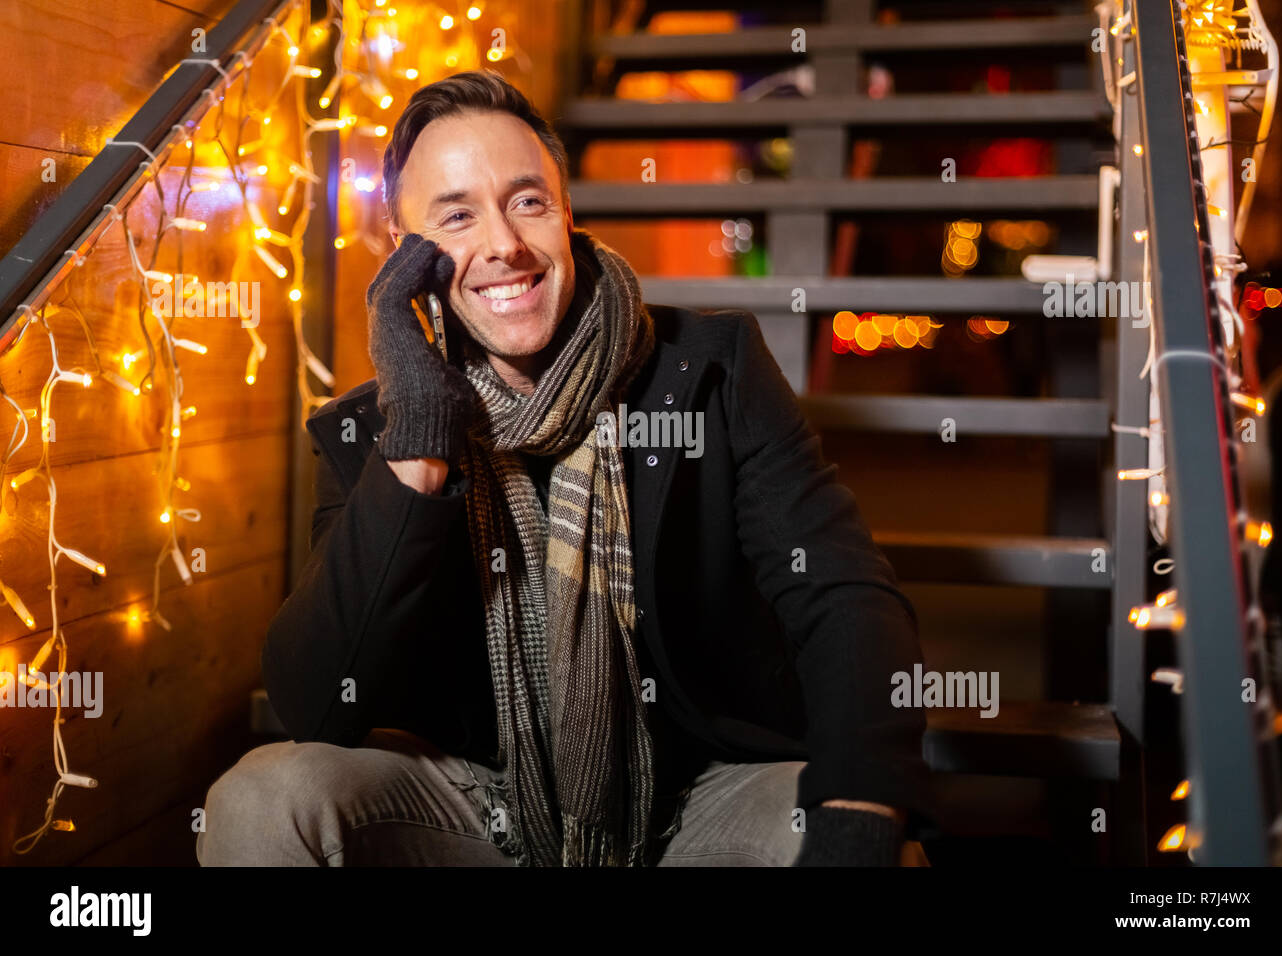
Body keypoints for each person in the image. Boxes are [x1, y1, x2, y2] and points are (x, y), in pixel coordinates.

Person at [197, 69, 932, 867]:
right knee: (262, 800)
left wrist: (856, 812)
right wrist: (417, 439)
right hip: (481, 805)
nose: (504, 245)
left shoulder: (709, 372)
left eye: (527, 201)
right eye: (456, 217)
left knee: (864, 836)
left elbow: (843, 594)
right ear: (404, 258)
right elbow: (316, 701)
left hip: (695, 799)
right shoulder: (371, 431)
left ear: (566, 213)